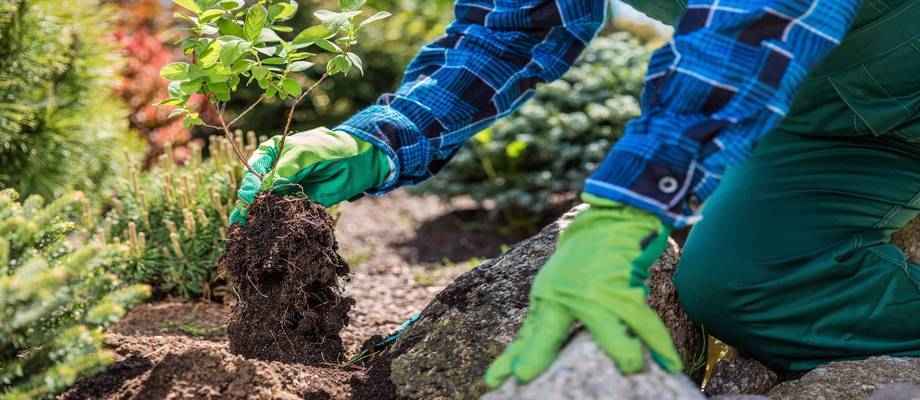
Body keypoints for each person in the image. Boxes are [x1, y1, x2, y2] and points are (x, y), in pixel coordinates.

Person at [230, 0, 920, 387]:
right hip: (841, 120)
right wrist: (382, 136)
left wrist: (630, 209)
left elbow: (755, 22)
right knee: (740, 282)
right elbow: (520, 22)